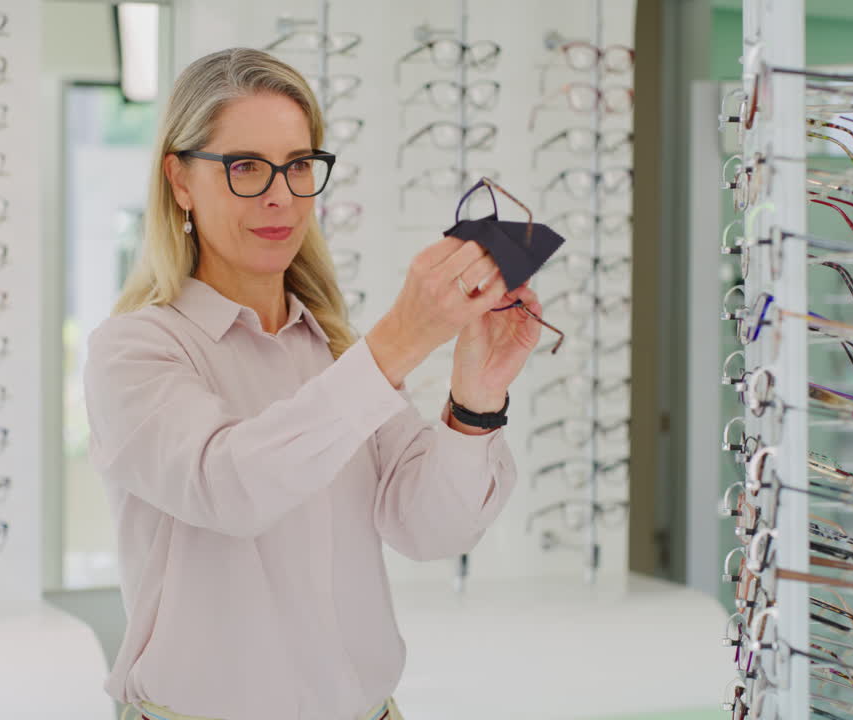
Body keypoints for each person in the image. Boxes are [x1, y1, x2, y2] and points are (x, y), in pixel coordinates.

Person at [84, 47, 544, 720]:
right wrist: (401, 338)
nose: (281, 195)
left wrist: (477, 399)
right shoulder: (134, 352)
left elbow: (430, 531)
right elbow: (230, 487)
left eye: (299, 165)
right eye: (246, 166)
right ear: (179, 180)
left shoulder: (337, 353)